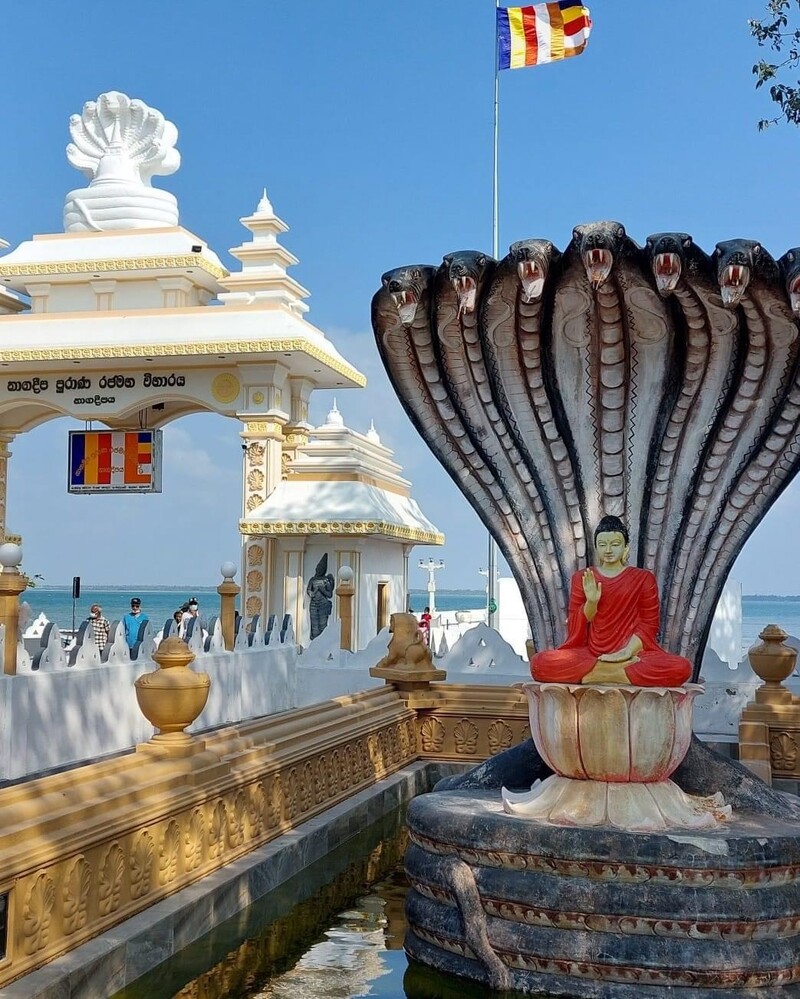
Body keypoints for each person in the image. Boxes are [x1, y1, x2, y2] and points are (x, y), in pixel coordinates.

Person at [531, 515, 692, 687]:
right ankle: (619, 674)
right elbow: (575, 626)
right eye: (602, 545)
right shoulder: (583, 577)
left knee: (682, 667)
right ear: (596, 547)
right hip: (591, 653)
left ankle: (596, 674)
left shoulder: (643, 578)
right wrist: (591, 602)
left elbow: (649, 624)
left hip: (631, 653)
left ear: (625, 547)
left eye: (615, 544)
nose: (608, 550)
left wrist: (626, 652)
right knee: (539, 663)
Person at [306, 554, 335, 639]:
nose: (319, 570)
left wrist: (322, 590)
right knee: (315, 627)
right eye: (318, 568)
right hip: (314, 605)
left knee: (323, 626)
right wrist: (311, 593)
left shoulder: (326, 580)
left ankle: (322, 642)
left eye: (321, 569)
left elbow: (330, 595)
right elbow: (309, 589)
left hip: (323, 605)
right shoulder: (313, 579)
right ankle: (314, 643)